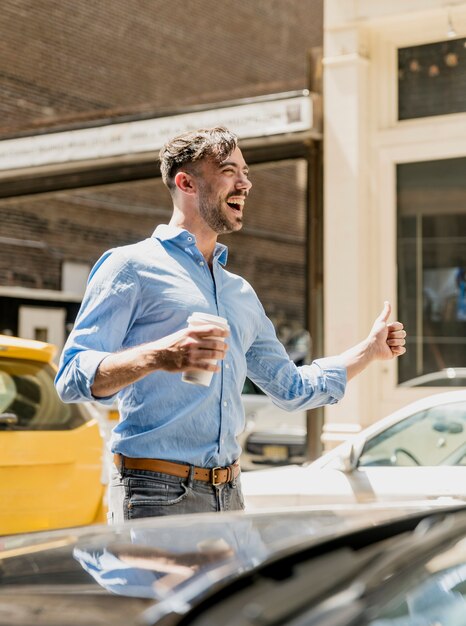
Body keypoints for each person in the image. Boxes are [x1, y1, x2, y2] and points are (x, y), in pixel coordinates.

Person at [55, 126, 407, 523]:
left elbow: (291, 389)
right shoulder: (130, 266)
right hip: (153, 491)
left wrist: (369, 350)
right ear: (186, 182)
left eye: (245, 171)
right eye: (229, 171)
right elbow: (71, 376)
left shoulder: (239, 293)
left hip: (230, 494)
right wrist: (160, 355)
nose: (246, 183)